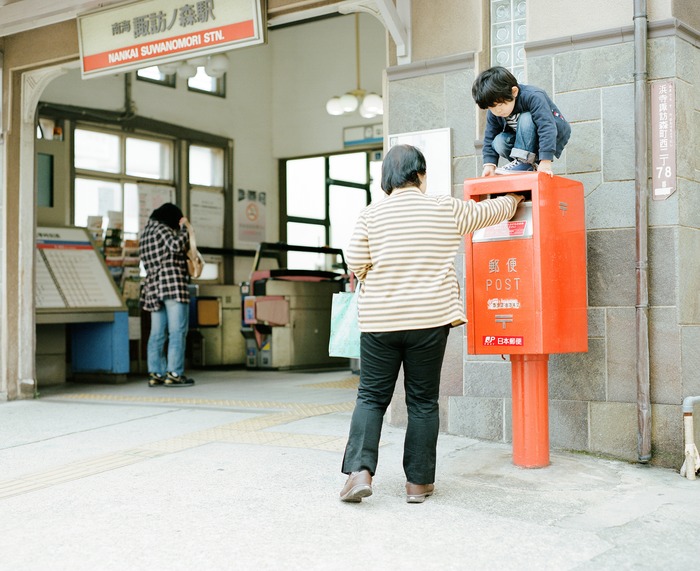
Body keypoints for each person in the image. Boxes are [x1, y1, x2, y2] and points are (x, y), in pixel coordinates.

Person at [339, 144, 523, 504]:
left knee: (372, 397)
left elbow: (356, 261)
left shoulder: (371, 215)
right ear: (421, 175)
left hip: (381, 320)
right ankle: (418, 484)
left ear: (387, 179)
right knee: (422, 401)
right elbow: (488, 212)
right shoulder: (444, 208)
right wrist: (514, 193)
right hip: (430, 319)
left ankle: (359, 471)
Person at [472, 66, 571, 176]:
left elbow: (546, 126)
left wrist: (545, 161)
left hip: (549, 135)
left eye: (500, 104)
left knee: (526, 117)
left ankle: (524, 162)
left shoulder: (533, 96)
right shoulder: (494, 112)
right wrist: (489, 164)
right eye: (492, 107)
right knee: (498, 141)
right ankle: (525, 165)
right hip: (524, 143)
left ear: (514, 92)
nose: (498, 110)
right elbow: (489, 137)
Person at [139, 202, 196, 388]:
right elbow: (174, 246)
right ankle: (174, 373)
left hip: (153, 288)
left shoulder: (146, 233)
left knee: (156, 333)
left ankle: (156, 373)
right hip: (171, 285)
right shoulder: (162, 229)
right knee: (177, 332)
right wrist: (185, 230)